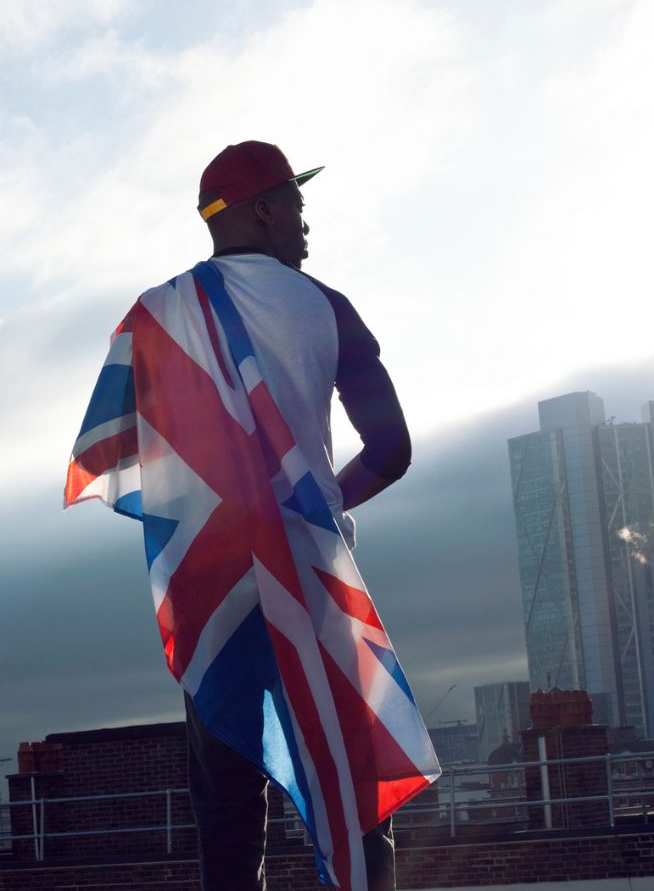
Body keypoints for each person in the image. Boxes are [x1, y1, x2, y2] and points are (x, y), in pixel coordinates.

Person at [66, 141, 431, 891]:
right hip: (314, 574)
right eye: (295, 202)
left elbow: (121, 460)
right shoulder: (326, 306)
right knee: (355, 788)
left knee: (228, 810)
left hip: (214, 587)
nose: (305, 219)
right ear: (262, 209)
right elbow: (391, 450)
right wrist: (317, 499)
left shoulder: (155, 317)